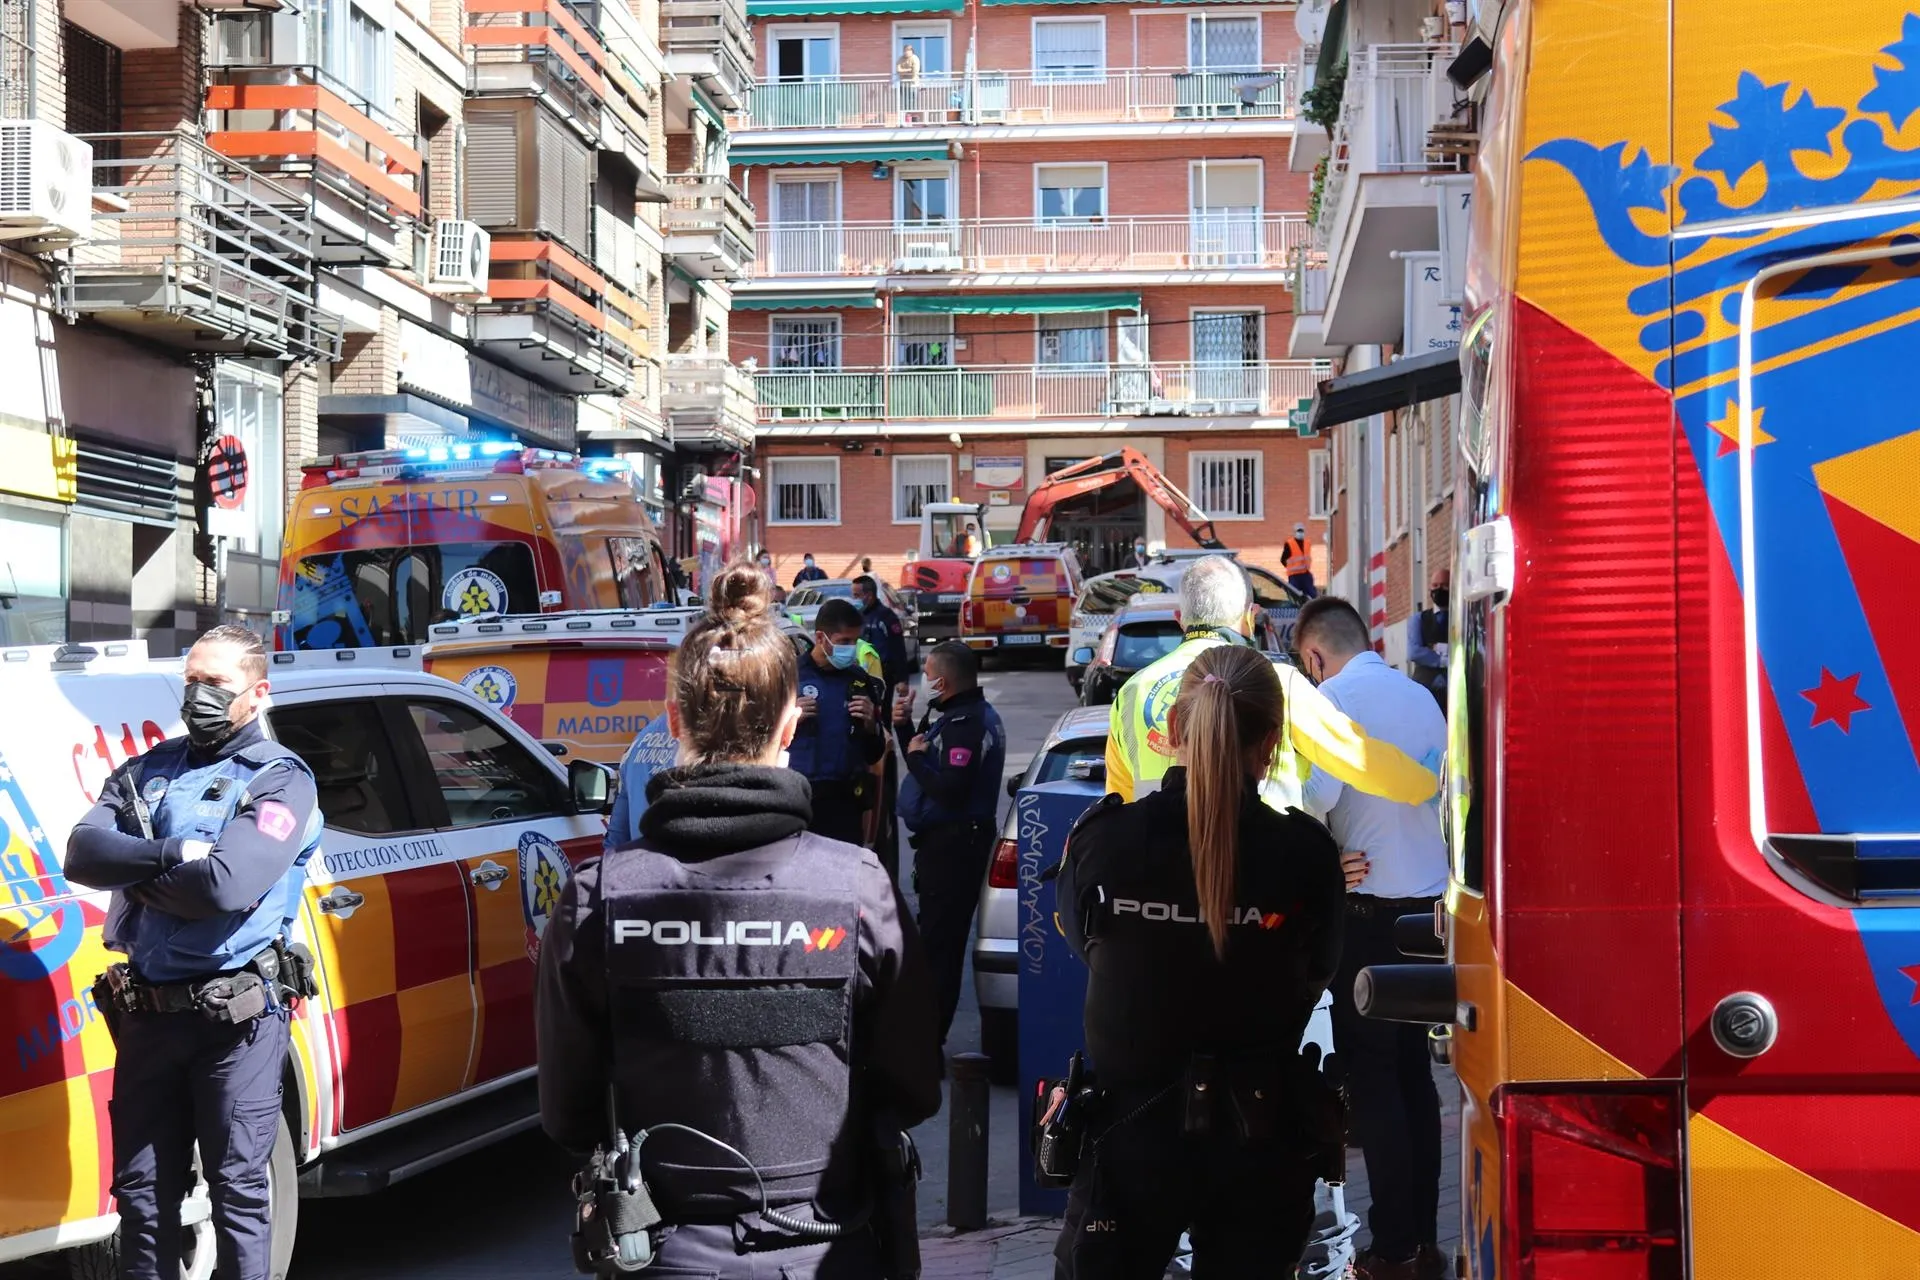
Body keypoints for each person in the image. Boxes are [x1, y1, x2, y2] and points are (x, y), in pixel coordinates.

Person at [538, 563, 942, 1278]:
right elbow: (913, 1086)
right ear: (790, 724)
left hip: (661, 1252)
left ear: (673, 722)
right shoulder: (856, 887)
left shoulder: (601, 897)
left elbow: (569, 1115)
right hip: (827, 1242)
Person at [1052, 644, 1346, 1277]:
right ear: (1271, 741)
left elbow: (1087, 946)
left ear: (1174, 730)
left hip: (1128, 1137)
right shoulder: (1304, 854)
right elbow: (1318, 971)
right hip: (1261, 1134)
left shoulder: (1105, 841)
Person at [63, 625, 323, 1280]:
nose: (199, 696)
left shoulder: (281, 780)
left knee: (237, 1194)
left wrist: (138, 873)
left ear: (256, 692)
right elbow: (83, 853)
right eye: (191, 682)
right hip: (148, 1019)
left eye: (217, 685)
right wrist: (173, 853)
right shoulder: (150, 769)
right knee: (142, 1200)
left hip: (232, 1025)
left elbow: (227, 883)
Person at [1294, 596, 1449, 1280]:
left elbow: (1308, 801)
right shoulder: (1422, 699)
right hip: (1431, 913)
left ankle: (1391, 1251)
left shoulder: (1330, 700)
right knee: (1415, 1077)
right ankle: (1420, 1239)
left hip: (1368, 916)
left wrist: (1324, 857)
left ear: (1314, 655)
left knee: (1376, 1082)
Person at [1106, 556, 1436, 814]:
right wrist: (1429, 785)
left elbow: (1117, 800)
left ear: (1180, 618)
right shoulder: (1277, 682)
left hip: (1163, 881)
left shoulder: (1131, 692)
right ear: (1250, 617)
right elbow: (1358, 756)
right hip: (1264, 875)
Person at [891, 641, 1004, 1047]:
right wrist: (904, 727)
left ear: (946, 679)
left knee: (941, 947)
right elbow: (919, 750)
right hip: (943, 846)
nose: (924, 677)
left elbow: (950, 790)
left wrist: (918, 758)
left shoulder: (967, 724)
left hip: (957, 847)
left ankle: (926, 1042)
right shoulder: (951, 716)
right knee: (935, 941)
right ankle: (925, 1035)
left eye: (929, 670)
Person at [792, 598, 890, 846]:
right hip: (798, 800)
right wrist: (789, 717)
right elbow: (762, 737)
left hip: (845, 802)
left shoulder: (859, 681)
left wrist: (871, 725)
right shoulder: (790, 677)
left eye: (854, 641)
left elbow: (874, 752)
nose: (851, 649)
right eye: (843, 641)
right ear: (821, 638)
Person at [852, 574, 909, 692]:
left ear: (869, 595)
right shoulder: (856, 616)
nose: (854, 599)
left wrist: (902, 679)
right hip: (859, 674)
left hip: (883, 675)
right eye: (853, 595)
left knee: (883, 710)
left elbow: (898, 648)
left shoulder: (886, 616)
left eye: (857, 595)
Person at [1406, 569, 1449, 711]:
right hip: (1424, 690)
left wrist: (1435, 648)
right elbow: (1414, 652)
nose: (1439, 590)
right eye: (1435, 586)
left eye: (1444, 585)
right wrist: (1444, 660)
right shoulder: (1418, 619)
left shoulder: (1462, 619)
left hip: (1454, 693)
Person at [1284, 523, 1319, 598]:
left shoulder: (1307, 543)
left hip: (1305, 574)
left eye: (1301, 531)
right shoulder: (1289, 544)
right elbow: (1283, 559)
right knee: (1294, 596)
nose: (1300, 533)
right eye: (1298, 531)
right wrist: (1291, 567)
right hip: (1294, 576)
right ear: (1295, 532)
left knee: (1312, 595)